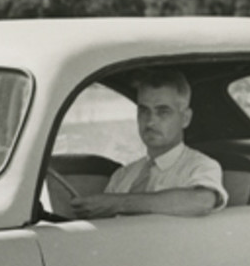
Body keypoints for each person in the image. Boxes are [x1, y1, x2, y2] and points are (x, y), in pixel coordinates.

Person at [70, 68, 227, 218]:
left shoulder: (200, 166)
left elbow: (202, 201)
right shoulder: (123, 175)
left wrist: (118, 203)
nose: (150, 122)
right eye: (144, 111)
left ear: (185, 118)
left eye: (163, 112)